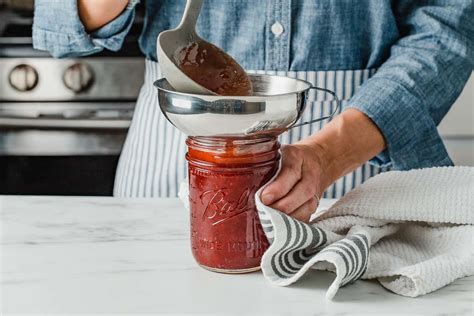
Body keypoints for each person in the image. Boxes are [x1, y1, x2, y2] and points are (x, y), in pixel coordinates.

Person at [33, 0, 473, 222]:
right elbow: (58, 23)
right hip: (175, 156)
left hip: (352, 155)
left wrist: (331, 155)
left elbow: (449, 26)